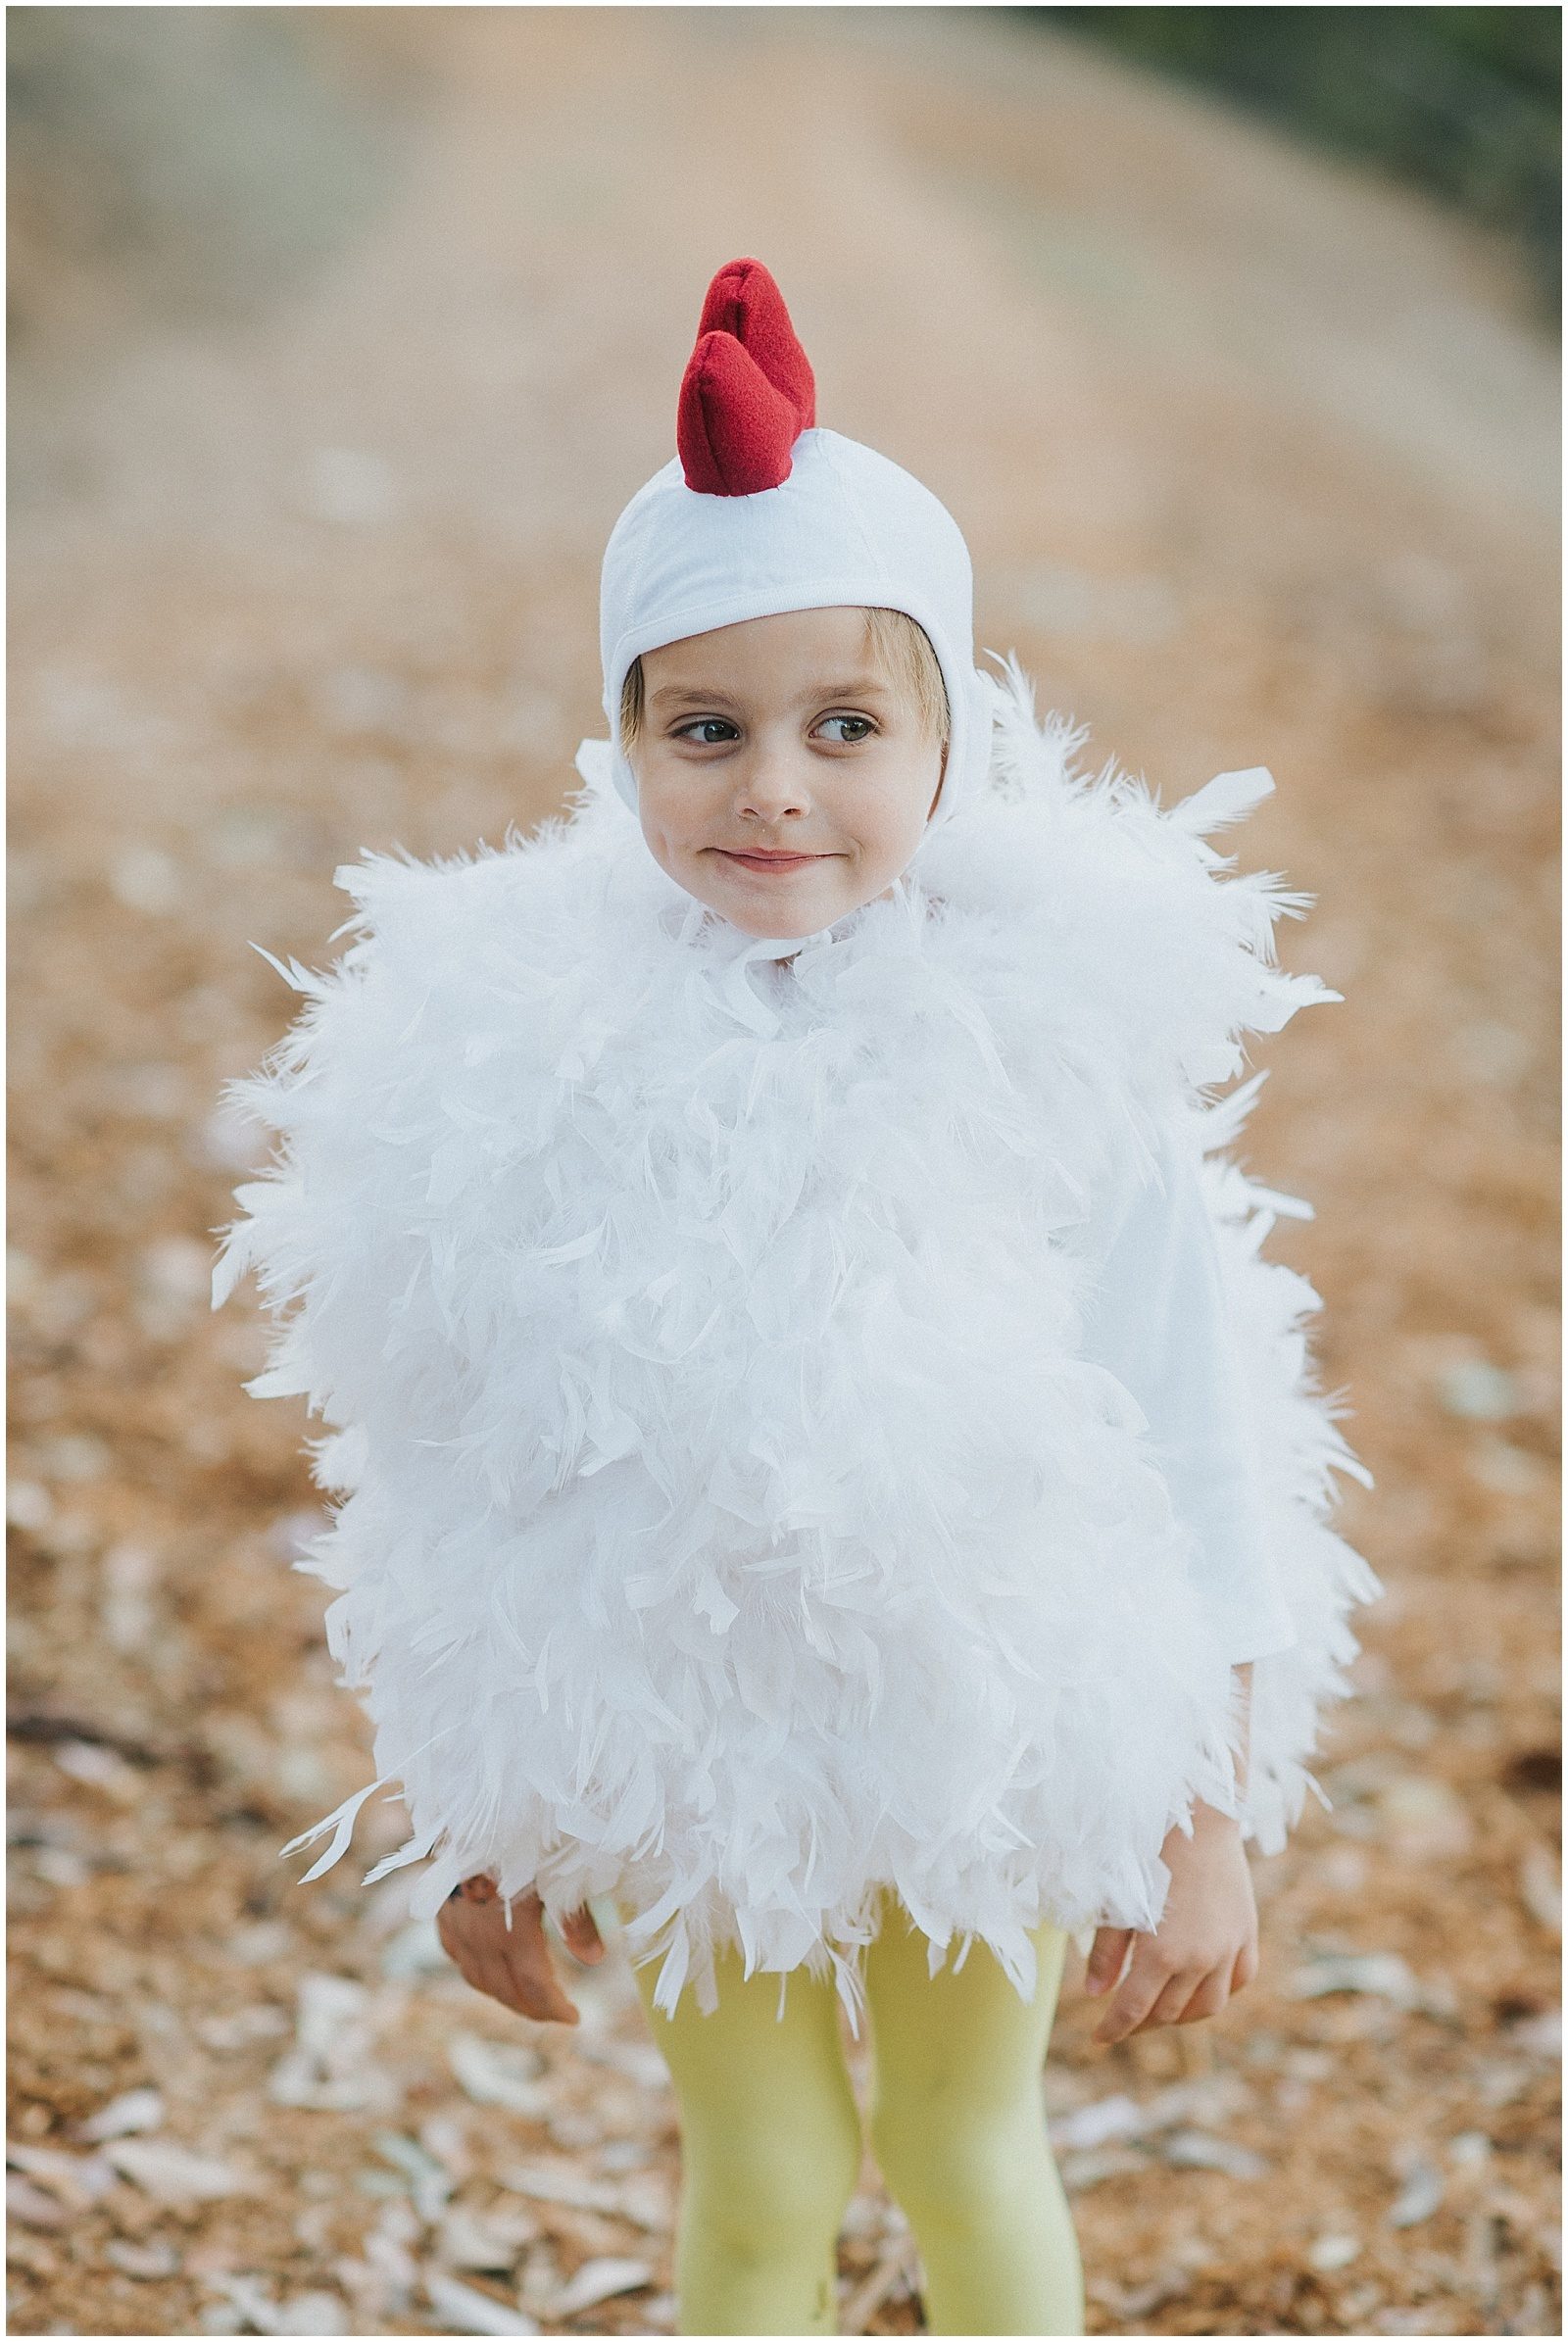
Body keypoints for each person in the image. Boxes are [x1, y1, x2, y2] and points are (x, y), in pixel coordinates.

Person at [216, 257, 1378, 2336]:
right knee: (760, 2166)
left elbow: (1189, 1438)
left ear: (947, 746)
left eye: (844, 726)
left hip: (988, 1718)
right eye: (706, 727)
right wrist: (490, 1811)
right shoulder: (524, 1071)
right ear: (622, 744)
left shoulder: (1048, 1059)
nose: (772, 786)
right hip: (691, 1735)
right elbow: (458, 1458)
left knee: (957, 2143)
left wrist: (1203, 1812)